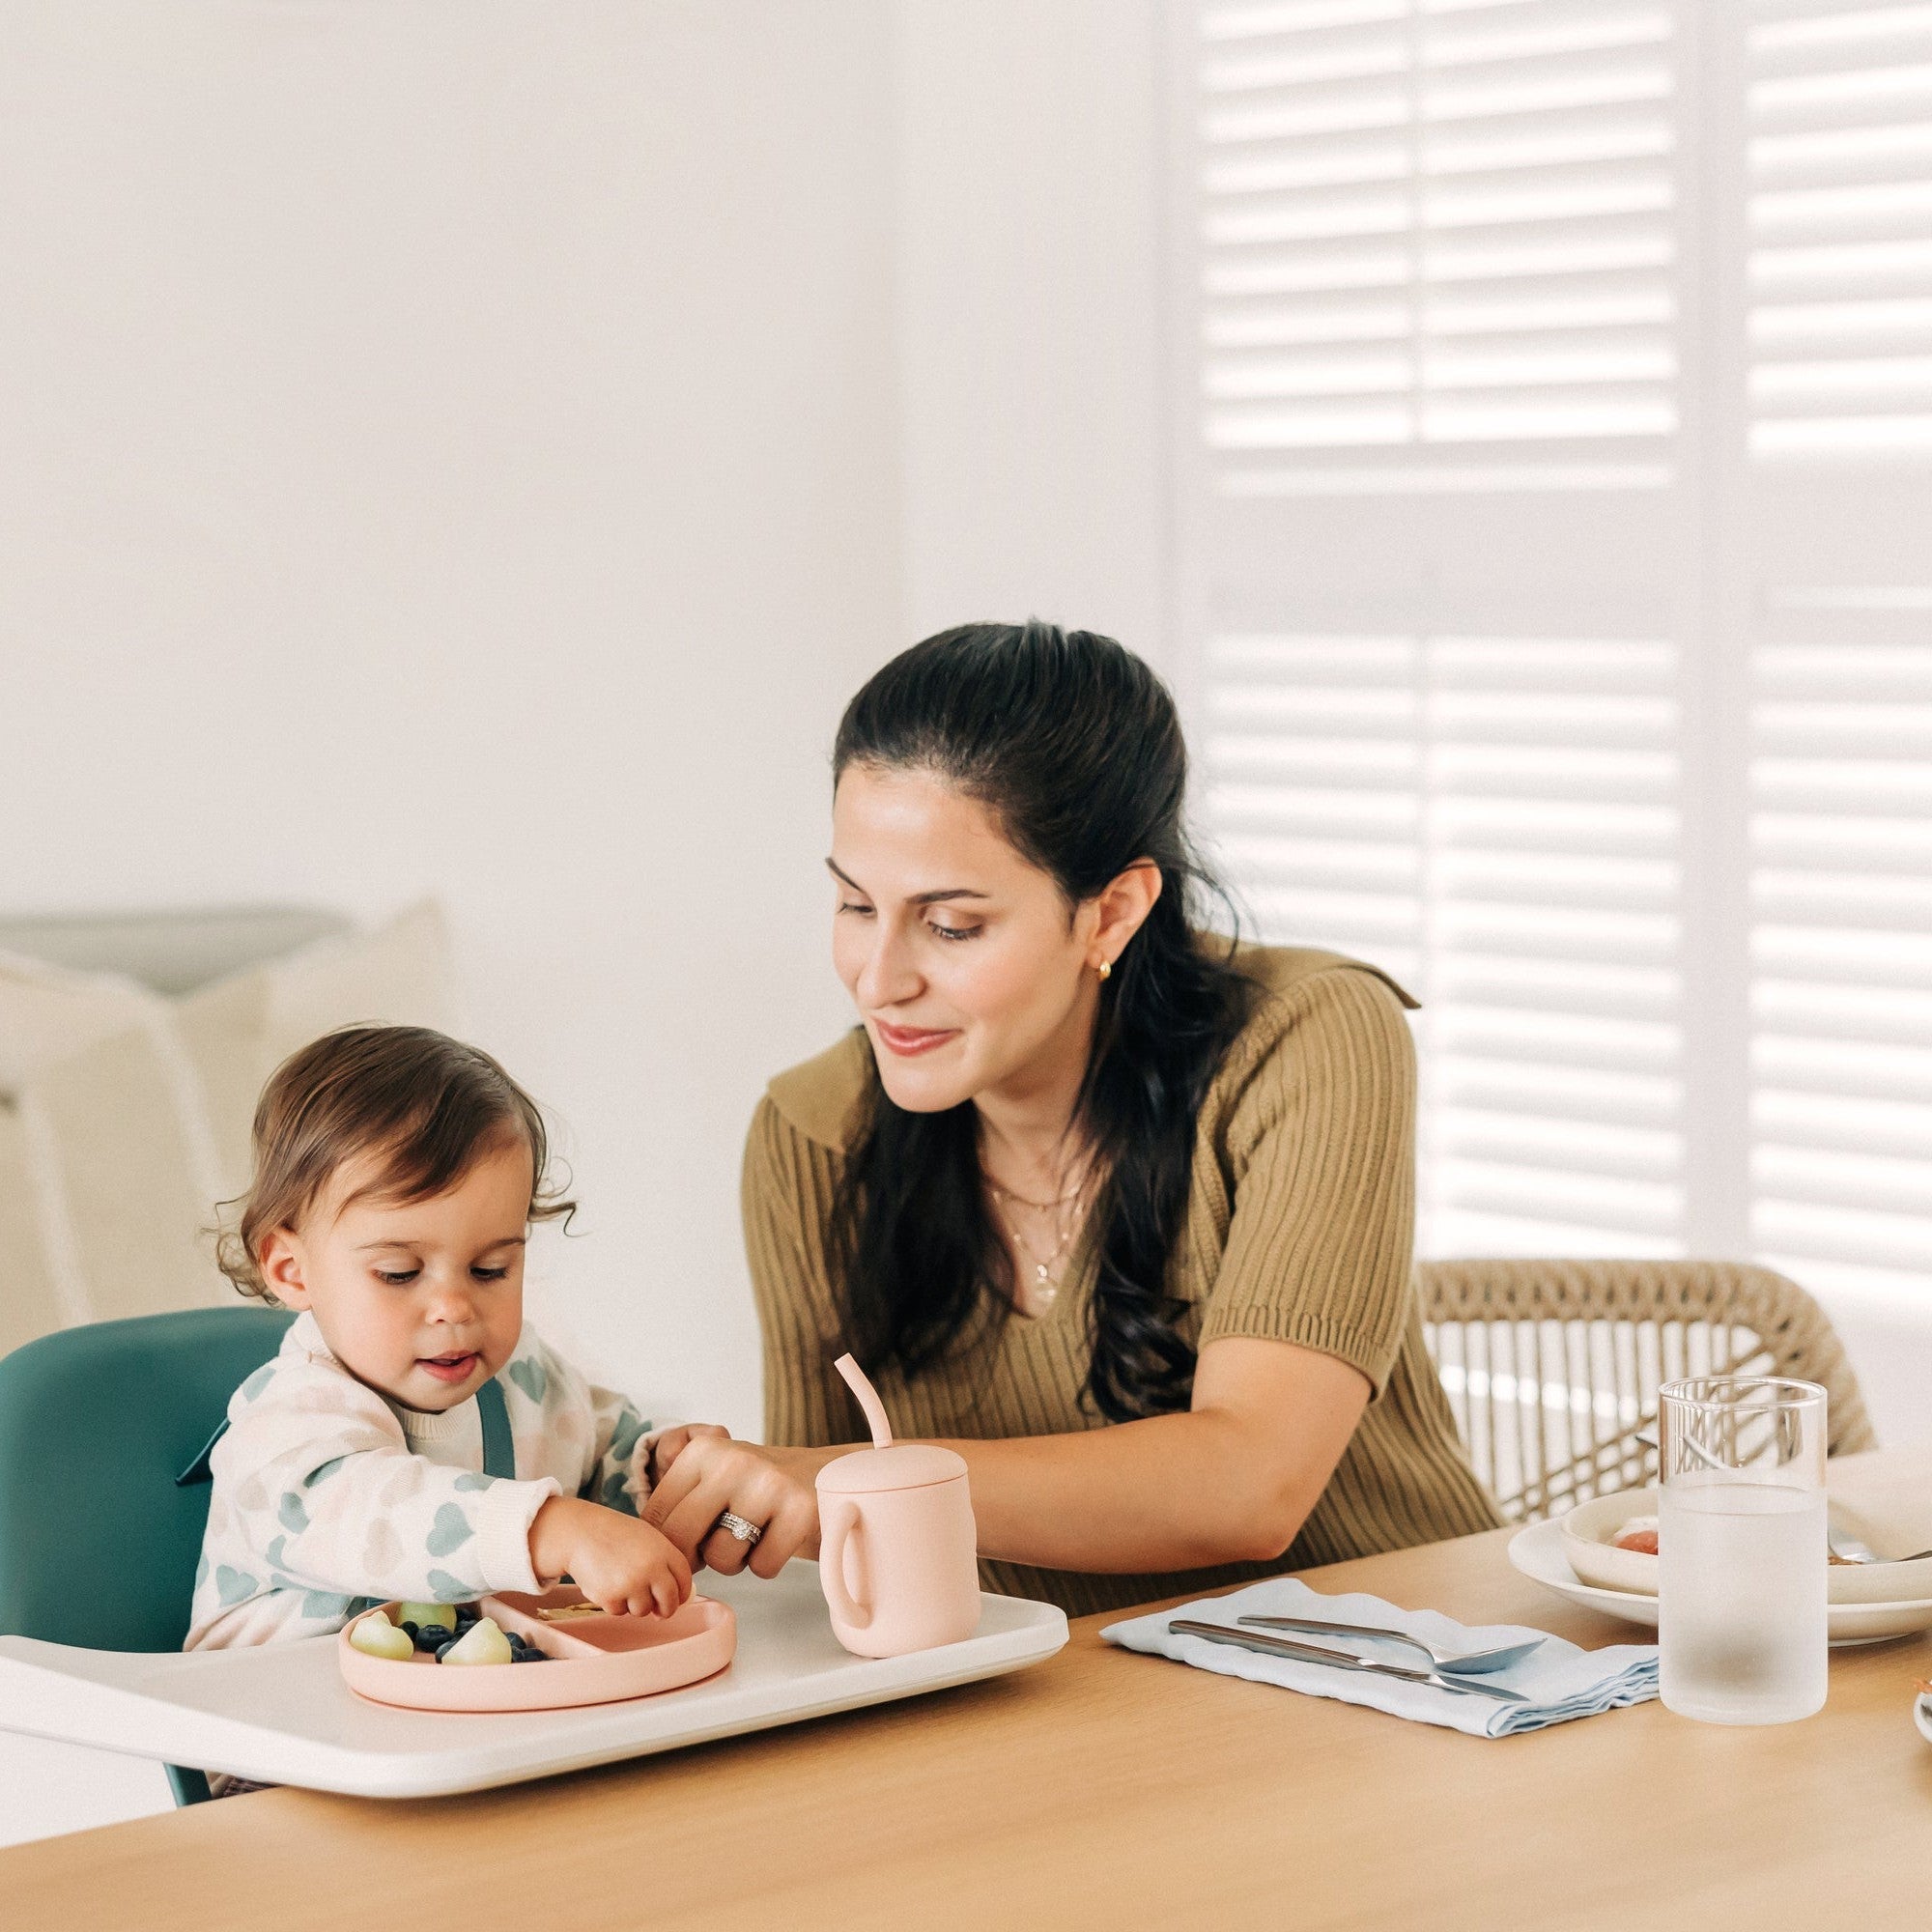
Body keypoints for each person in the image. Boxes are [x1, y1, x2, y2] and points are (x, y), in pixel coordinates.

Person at [650, 620, 1498, 1618]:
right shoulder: (812, 1135)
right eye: (852, 904)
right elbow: (821, 1564)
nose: (877, 980)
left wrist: (827, 1473)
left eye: (952, 924)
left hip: (1423, 1680)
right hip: (1060, 1721)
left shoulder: (1306, 1039)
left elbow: (1249, 1482)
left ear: (1112, 911)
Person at [185, 1024, 812, 1653]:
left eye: (491, 1269)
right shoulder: (284, 1426)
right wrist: (549, 1530)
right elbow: (371, 1513)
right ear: (291, 1270)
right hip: (284, 1726)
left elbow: (595, 1460)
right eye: (399, 1273)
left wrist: (657, 1474)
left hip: (464, 1722)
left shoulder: (525, 1382)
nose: (455, 1308)